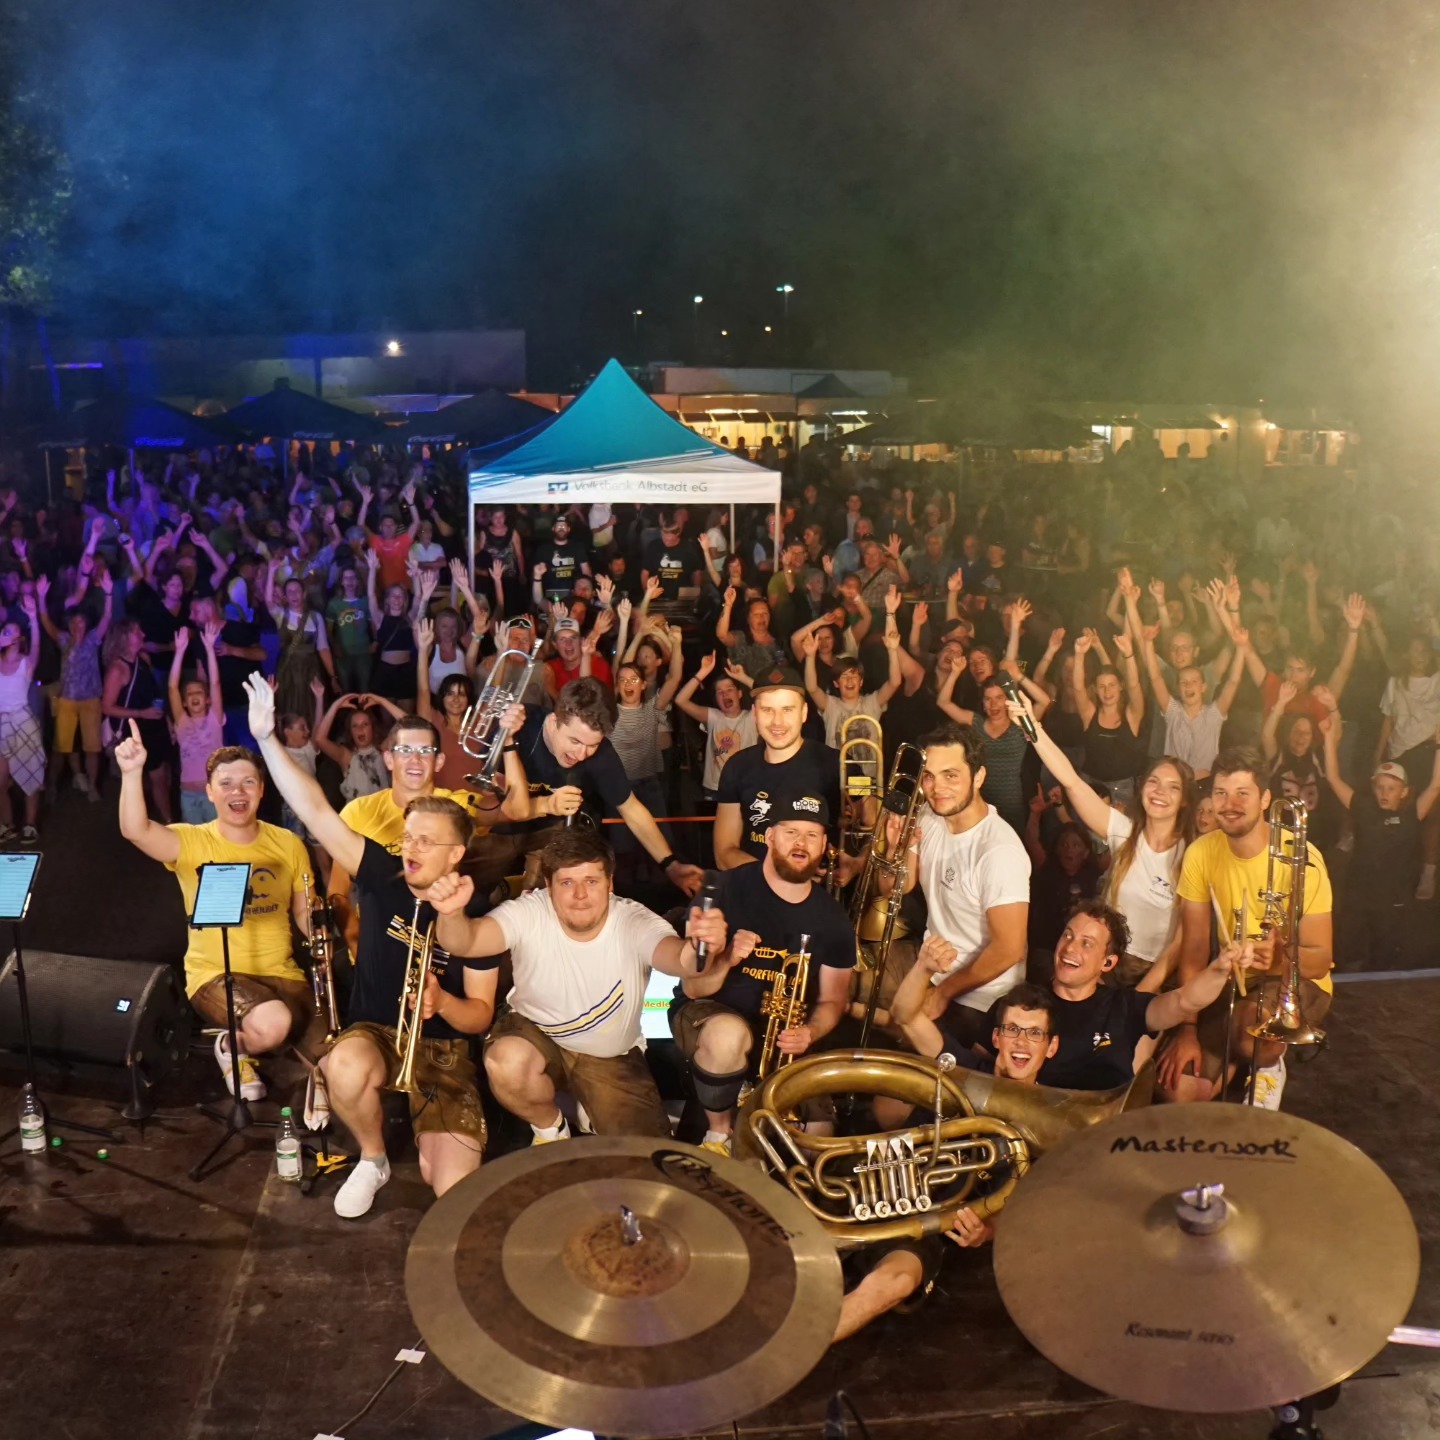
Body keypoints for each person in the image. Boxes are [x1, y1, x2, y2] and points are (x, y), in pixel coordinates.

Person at [245, 673, 495, 1217]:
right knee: (345, 1067)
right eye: (409, 837)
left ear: (456, 854)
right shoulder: (382, 872)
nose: (411, 849)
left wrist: (443, 1004)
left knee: (452, 1191)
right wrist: (267, 741)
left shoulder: (479, 911)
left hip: (444, 1051)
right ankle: (374, 1158)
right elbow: (315, 811)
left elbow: (479, 1017)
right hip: (378, 1032)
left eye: (427, 842)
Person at [427, 827, 724, 1141]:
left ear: (610, 884)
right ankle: (550, 1127)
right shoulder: (529, 910)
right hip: (536, 1031)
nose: (580, 895)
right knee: (506, 1062)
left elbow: (680, 961)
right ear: (548, 886)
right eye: (567, 882)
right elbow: (468, 942)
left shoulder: (634, 920)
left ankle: (587, 1105)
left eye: (591, 882)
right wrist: (451, 914)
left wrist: (699, 947)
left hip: (609, 1054)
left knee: (646, 1154)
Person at [116, 723, 317, 1101]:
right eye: (225, 783)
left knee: (333, 1056)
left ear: (261, 789)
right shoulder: (191, 841)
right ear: (209, 792)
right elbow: (135, 830)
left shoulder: (288, 843)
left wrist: (331, 944)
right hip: (216, 975)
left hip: (282, 973)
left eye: (247, 783)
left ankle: (261, 1044)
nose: (237, 792)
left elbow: (305, 911)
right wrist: (131, 773)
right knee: (275, 1024)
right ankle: (233, 1048)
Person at [668, 793, 855, 1154]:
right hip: (712, 1015)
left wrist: (810, 1032)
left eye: (811, 835)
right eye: (790, 832)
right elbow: (693, 989)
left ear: (824, 846)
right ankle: (718, 1135)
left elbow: (834, 999)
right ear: (769, 837)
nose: (800, 844)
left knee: (818, 1137)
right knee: (727, 1036)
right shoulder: (723, 890)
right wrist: (726, 960)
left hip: (784, 1034)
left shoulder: (833, 919)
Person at [1161, 747, 1335, 1110]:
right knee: (1178, 1089)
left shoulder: (1305, 856)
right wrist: (1188, 1030)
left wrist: (1279, 957)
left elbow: (1319, 960)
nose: (1230, 804)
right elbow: (1193, 951)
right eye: (1221, 793)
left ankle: (1266, 1063)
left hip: (1291, 980)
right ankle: (1244, 1065)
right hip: (1233, 979)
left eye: (1243, 793)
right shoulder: (1201, 853)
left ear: (1266, 799)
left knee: (1255, 1035)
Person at [1010, 693, 1193, 990]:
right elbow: (1071, 781)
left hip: (1156, 973)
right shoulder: (1124, 832)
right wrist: (1033, 727)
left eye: (1173, 787)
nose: (1160, 792)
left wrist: (1144, 993)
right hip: (1105, 961)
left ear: (1184, 800)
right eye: (1153, 782)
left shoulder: (1191, 855)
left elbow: (1185, 939)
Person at [879, 722, 1030, 1048]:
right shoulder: (930, 817)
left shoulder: (999, 850)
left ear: (978, 778)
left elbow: (1009, 949)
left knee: (909, 1067)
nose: (937, 787)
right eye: (929, 776)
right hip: (931, 967)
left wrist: (944, 993)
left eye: (951, 775)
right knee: (856, 981)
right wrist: (893, 851)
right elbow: (895, 888)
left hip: (980, 995)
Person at [1037, 899, 1263, 1091]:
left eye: (1086, 944)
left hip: (1106, 1131)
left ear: (1108, 962)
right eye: (1067, 936)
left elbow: (1184, 1001)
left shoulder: (1124, 1006)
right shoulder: (1028, 1003)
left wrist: (1219, 970)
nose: (1070, 948)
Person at [505, 677, 704, 895]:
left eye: (592, 745)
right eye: (575, 741)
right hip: (498, 830)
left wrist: (671, 865)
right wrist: (546, 804)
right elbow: (502, 809)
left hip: (550, 838)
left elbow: (631, 809)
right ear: (554, 722)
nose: (581, 755)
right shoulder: (518, 726)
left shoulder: (602, 755)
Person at [1322, 712, 1440, 968]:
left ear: (1404, 791)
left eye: (1392, 788)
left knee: (1384, 958)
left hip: (1393, 901)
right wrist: (1329, 739)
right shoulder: (1363, 808)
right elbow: (1333, 777)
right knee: (1344, 953)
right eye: (1380, 787)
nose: (1385, 793)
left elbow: (1435, 785)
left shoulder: (1412, 814)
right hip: (1358, 897)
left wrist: (1439, 745)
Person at [713, 665, 839, 869]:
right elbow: (724, 853)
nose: (777, 722)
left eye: (787, 710)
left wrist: (857, 863)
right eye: (767, 710)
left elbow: (869, 828)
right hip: (752, 892)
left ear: (804, 712)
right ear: (754, 713)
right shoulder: (737, 766)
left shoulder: (836, 764)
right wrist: (781, 878)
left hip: (817, 895)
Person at [1140, 621, 1249, 779]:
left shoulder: (1214, 714)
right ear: (1178, 688)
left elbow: (1233, 681)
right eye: (1184, 683)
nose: (1188, 686)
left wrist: (1241, 648)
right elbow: (1156, 677)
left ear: (1203, 687)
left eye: (1193, 682)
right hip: (1175, 782)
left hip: (1203, 783)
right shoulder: (1172, 712)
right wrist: (1148, 643)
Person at [38, 571, 112, 803]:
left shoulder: (93, 638)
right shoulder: (62, 639)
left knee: (92, 747)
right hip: (68, 700)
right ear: (69, 624)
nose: (77, 625)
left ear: (86, 623)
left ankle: (92, 787)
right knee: (61, 747)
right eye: (73, 621)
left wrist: (109, 592)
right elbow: (45, 622)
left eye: (81, 621)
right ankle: (51, 785)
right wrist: (40, 598)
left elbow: (108, 616)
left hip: (91, 699)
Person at [103, 616, 174, 823]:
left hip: (155, 725)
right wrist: (142, 713)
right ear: (125, 638)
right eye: (137, 632)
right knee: (156, 776)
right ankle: (169, 823)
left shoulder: (143, 659)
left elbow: (154, 693)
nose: (142, 635)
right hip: (136, 731)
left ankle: (153, 816)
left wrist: (167, 720)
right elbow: (106, 706)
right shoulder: (118, 669)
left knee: (160, 775)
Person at [673, 652, 758, 804]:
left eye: (729, 689)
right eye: (720, 692)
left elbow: (769, 694)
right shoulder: (713, 716)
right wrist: (702, 673)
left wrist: (743, 678)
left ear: (739, 694)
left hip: (746, 786)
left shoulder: (752, 717)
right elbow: (680, 700)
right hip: (714, 789)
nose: (725, 695)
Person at [168, 623, 226, 824]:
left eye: (199, 693)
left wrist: (210, 649)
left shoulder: (214, 719)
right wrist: (180, 651)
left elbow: (215, 683)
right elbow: (172, 687)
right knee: (195, 847)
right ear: (184, 702)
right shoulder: (182, 723)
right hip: (188, 795)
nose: (194, 696)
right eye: (190, 694)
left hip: (213, 794)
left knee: (218, 844)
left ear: (208, 699)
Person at [0, 597, 46, 843]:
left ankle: (30, 824)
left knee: (31, 775)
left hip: (23, 721)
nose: (11, 636)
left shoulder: (25, 664)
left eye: (15, 632)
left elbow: (37, 647)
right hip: (1, 725)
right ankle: (6, 825)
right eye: (6, 631)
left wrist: (32, 617)